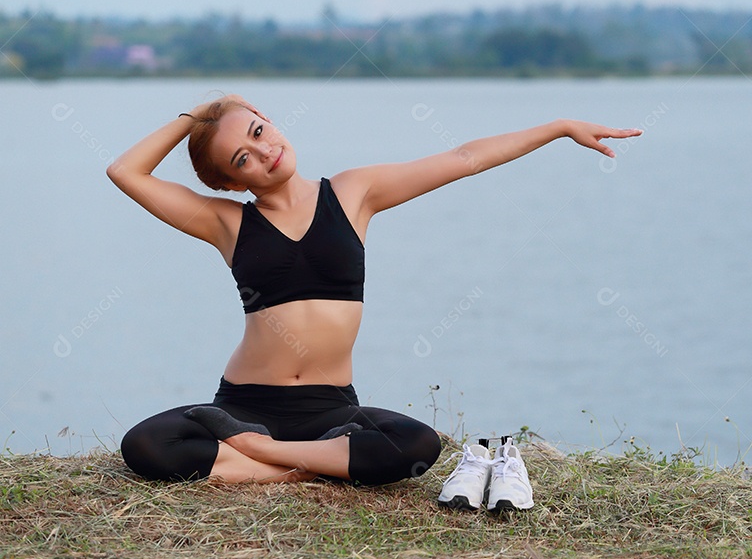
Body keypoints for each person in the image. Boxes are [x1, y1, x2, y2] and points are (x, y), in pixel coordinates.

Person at [107, 94, 642, 492]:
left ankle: (263, 460)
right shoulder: (224, 220)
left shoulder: (352, 192)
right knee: (146, 446)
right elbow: (125, 171)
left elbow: (464, 158)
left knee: (417, 447)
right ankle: (302, 465)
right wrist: (194, 116)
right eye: (241, 157)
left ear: (271, 119)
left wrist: (559, 127)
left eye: (258, 130)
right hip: (244, 404)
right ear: (229, 182)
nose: (263, 150)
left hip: (329, 407)